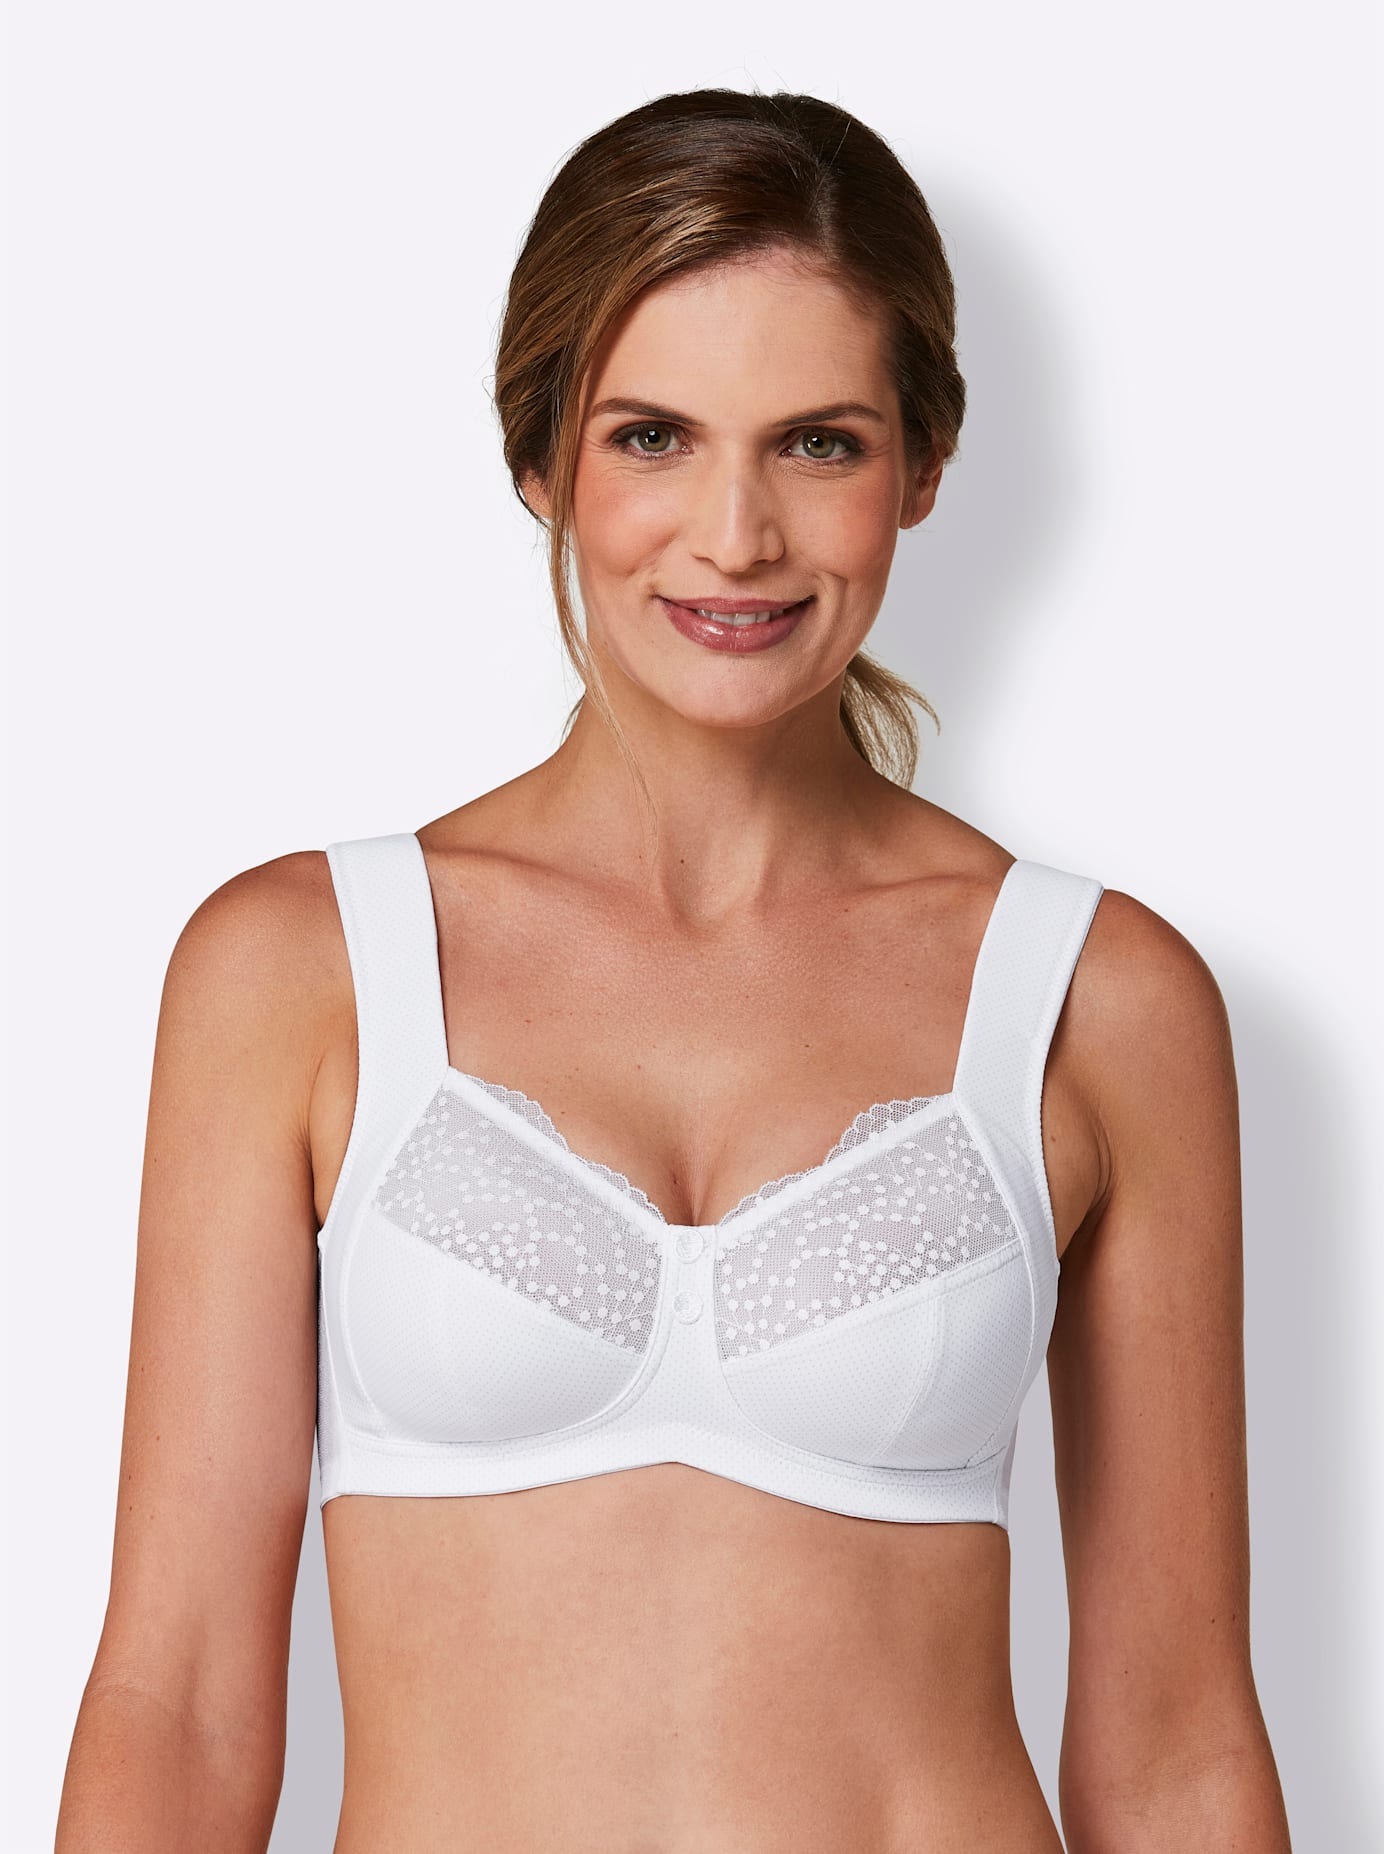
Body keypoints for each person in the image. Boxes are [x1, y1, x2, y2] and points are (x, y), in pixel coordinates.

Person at [56, 87, 1292, 1853]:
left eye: (819, 443)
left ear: (925, 465)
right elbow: (174, 1703)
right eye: (652, 436)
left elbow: (1175, 1743)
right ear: (540, 460)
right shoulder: (298, 973)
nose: (736, 534)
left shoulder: (1100, 1001)